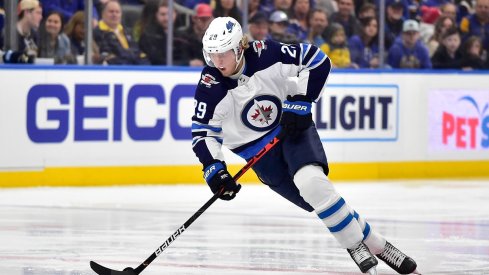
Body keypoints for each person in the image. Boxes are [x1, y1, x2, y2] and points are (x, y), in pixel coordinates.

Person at [192, 16, 419, 275]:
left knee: (312, 183)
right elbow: (202, 133)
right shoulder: (210, 86)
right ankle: (377, 243)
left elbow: (318, 60)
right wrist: (214, 168)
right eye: (212, 54)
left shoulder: (267, 54)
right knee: (317, 200)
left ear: (238, 48)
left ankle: (355, 247)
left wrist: (302, 100)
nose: (218, 62)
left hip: (290, 128)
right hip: (258, 154)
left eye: (223, 54)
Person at [93, 0, 149, 65]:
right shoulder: (98, 32)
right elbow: (110, 57)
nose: (114, 14)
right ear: (103, 14)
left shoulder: (127, 31)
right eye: (111, 12)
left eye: (117, 12)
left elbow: (138, 52)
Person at [138, 0, 191, 65]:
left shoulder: (182, 37)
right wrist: (187, 63)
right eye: (163, 14)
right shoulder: (148, 37)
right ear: (156, 15)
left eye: (170, 14)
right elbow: (156, 61)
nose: (166, 18)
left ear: (175, 14)